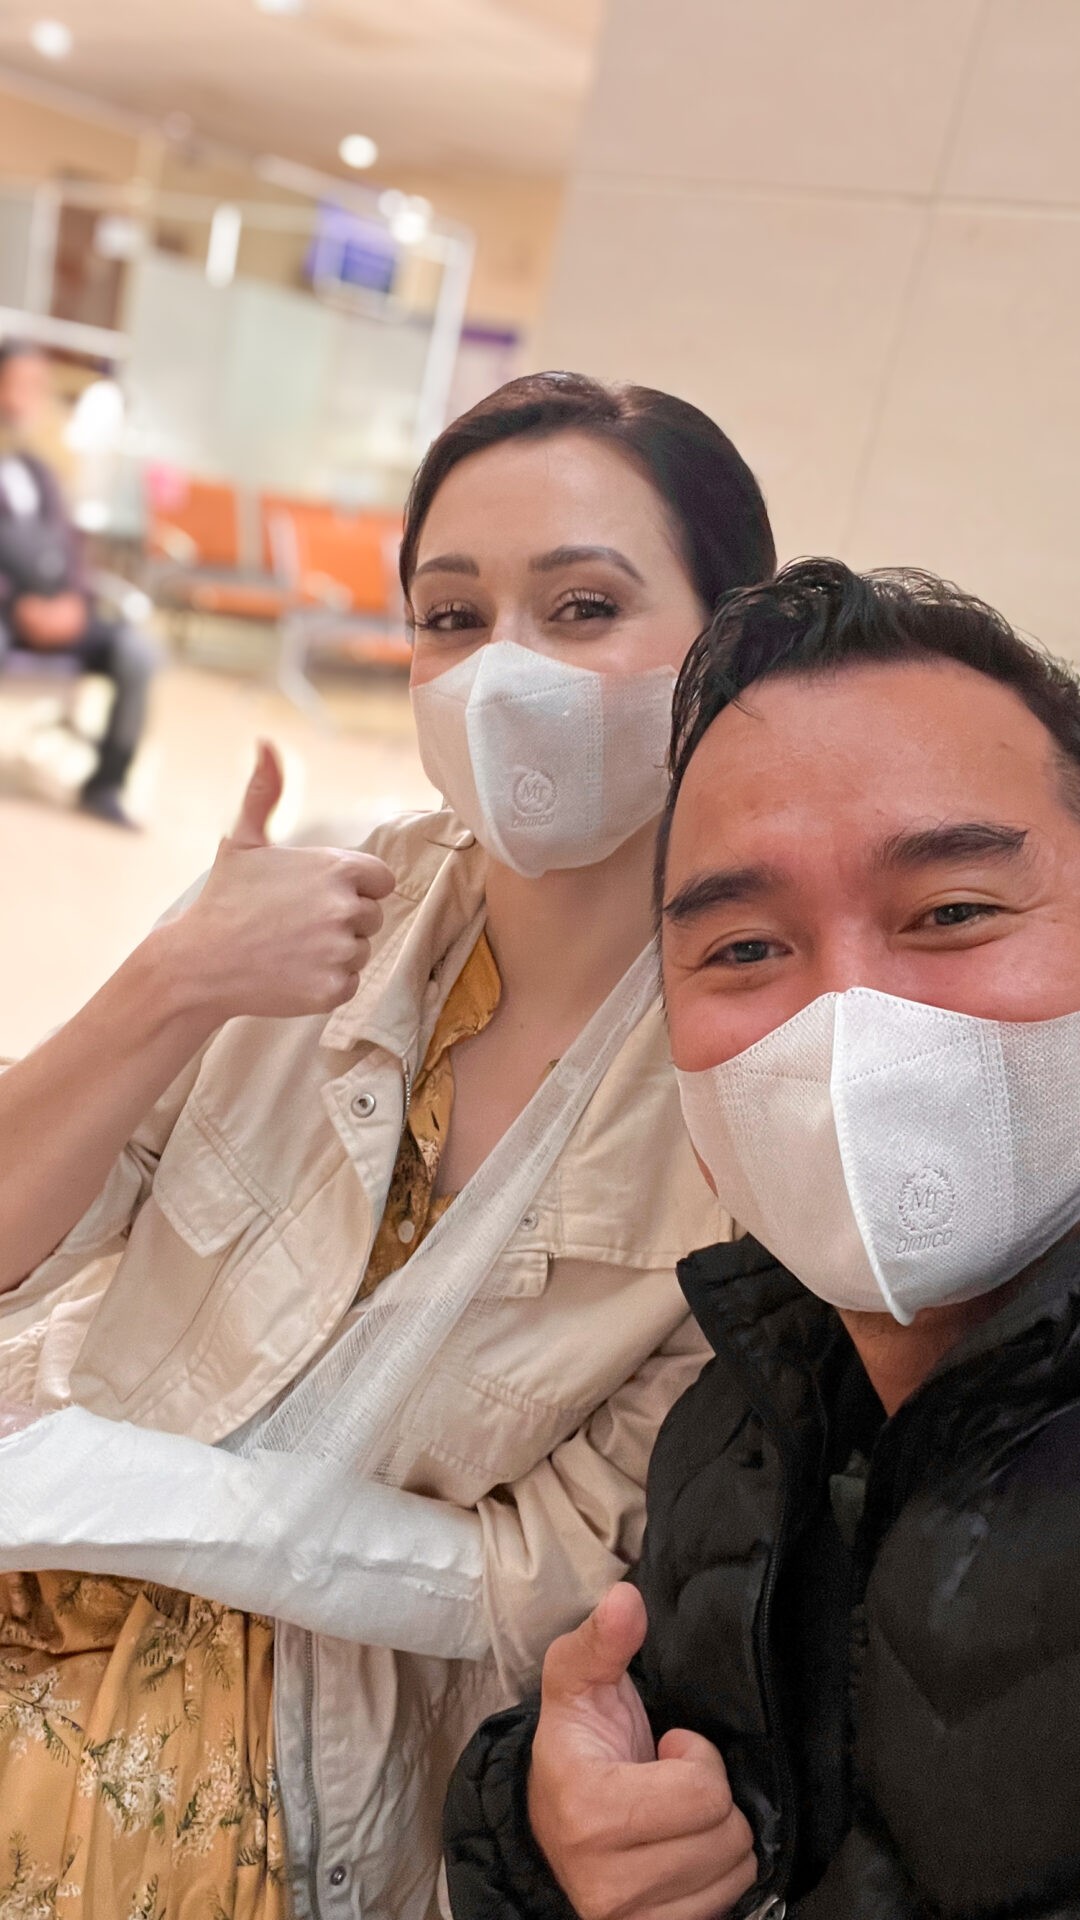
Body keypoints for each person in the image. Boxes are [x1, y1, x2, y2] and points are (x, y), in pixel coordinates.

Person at [0, 372, 776, 1919]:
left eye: (582, 607)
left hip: (309, 1780)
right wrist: (165, 989)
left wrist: (125, 1497)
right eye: (450, 616)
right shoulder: (317, 924)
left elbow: (558, 1579)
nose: (504, 676)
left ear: (726, 648)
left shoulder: (742, 1089)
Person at [444, 557, 1080, 1920]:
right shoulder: (735, 1427)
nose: (848, 1027)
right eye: (742, 950)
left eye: (954, 913)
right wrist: (557, 1829)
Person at [0, 337, 157, 827]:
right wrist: (17, 604)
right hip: (8, 614)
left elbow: (69, 552)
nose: (36, 396)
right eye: (25, 383)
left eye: (40, 386)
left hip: (59, 610)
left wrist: (73, 601)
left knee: (137, 652)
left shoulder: (39, 471)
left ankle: (105, 785)